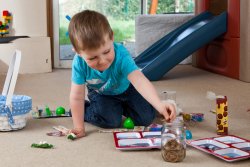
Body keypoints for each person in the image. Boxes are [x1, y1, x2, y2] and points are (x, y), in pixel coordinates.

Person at [68, 10, 176, 138]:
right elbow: (76, 96)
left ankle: (121, 107)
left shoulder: (121, 55)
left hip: (127, 88)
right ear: (78, 52)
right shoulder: (79, 63)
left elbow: (140, 81)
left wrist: (159, 104)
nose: (102, 61)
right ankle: (86, 109)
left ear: (112, 37)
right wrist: (79, 126)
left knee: (146, 119)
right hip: (102, 94)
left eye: (107, 51)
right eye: (92, 58)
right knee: (111, 121)